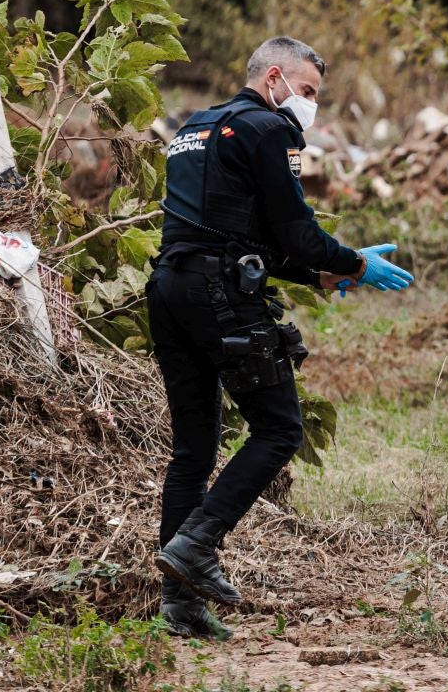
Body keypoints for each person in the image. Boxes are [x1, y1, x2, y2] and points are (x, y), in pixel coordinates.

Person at [148, 36, 413, 639]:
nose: (311, 105)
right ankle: (195, 547)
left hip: (169, 289)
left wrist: (327, 269)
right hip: (219, 296)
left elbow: (248, 237)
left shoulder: (197, 126)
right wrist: (352, 262)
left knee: (193, 448)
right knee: (280, 428)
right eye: (309, 91)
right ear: (275, 78)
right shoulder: (269, 130)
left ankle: (180, 605)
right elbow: (296, 231)